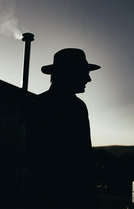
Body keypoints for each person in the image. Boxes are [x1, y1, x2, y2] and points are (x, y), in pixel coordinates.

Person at [25, 48, 100, 209]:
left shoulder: (38, 104)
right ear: (69, 73)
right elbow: (83, 156)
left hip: (43, 196)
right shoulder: (76, 107)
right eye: (83, 72)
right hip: (67, 197)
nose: (88, 78)